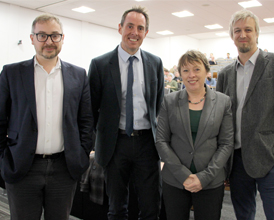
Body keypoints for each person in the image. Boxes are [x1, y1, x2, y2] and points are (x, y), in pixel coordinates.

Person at [0, 14, 93, 220]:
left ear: (62, 38)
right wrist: (4, 158)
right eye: (42, 35)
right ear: (32, 38)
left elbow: (86, 121)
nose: (49, 41)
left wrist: (82, 154)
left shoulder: (78, 75)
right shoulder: (11, 73)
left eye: (54, 36)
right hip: (23, 167)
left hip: (64, 169)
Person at [88, 6, 164, 220]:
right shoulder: (100, 64)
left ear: (146, 33)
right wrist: (96, 143)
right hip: (115, 144)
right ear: (120, 28)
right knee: (117, 208)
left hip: (147, 144)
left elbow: (157, 105)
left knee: (151, 207)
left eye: (140, 28)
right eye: (130, 26)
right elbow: (91, 110)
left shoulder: (155, 63)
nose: (135, 32)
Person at [216, 9, 274, 220]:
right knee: (244, 215)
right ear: (232, 36)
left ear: (257, 33)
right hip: (237, 162)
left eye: (248, 29)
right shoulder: (224, 74)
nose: (243, 34)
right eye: (237, 30)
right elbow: (221, 117)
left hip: (270, 158)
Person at [156, 50, 234, 220]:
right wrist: (183, 175)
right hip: (175, 180)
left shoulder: (223, 102)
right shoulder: (169, 101)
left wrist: (204, 177)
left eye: (197, 69)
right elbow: (161, 140)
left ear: (207, 71)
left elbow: (226, 143)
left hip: (210, 181)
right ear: (180, 74)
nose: (191, 75)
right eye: (185, 70)